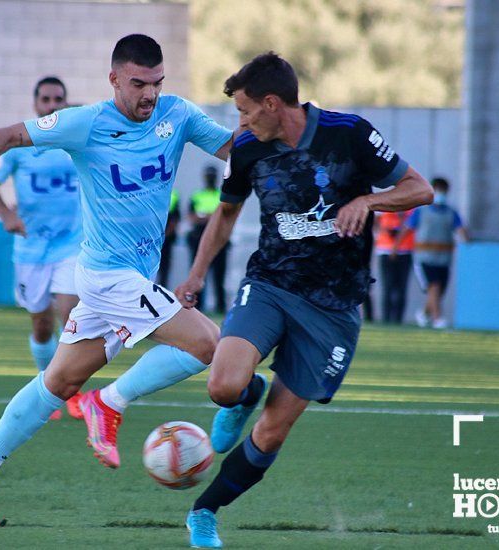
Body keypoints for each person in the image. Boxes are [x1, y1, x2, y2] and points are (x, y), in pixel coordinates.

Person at [0, 34, 233, 526]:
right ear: (115, 79)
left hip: (128, 278)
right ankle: (108, 401)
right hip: (108, 277)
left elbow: (234, 149)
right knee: (209, 344)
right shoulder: (87, 123)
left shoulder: (178, 114)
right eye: (139, 83)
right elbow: (9, 135)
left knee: (58, 381)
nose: (150, 94)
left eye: (158, 82)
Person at [174, 52, 432, 548]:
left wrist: (366, 201)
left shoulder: (349, 133)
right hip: (271, 282)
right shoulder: (248, 149)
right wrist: (196, 274)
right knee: (223, 387)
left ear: (272, 103)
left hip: (334, 307)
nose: (241, 123)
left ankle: (204, 511)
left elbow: (419, 189)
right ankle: (246, 394)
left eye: (246, 111)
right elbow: (226, 215)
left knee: (271, 434)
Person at [0, 76, 83, 420]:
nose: (52, 105)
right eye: (46, 99)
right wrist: (7, 215)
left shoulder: (76, 141)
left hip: (72, 244)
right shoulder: (20, 146)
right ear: (35, 103)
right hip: (31, 250)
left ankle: (67, 388)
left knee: (71, 315)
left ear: (65, 103)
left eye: (58, 99)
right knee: (41, 326)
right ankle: (47, 384)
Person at [398, 177, 468, 329]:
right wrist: (396, 247)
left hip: (444, 259)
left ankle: (424, 314)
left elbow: (461, 230)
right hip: (425, 257)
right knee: (434, 286)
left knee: (438, 291)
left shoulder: (451, 213)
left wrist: (467, 240)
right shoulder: (421, 211)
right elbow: (407, 229)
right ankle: (438, 319)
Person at [187, 166, 230, 313]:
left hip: (220, 241)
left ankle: (220, 306)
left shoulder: (221, 195)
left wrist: (205, 217)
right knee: (199, 273)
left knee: (219, 275)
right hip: (198, 239)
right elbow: (191, 217)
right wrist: (211, 217)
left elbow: (225, 217)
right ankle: (198, 306)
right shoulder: (197, 196)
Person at [374, 208, 414, 323]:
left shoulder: (410, 209)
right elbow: (375, 221)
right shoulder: (384, 208)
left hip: (405, 251)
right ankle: (386, 318)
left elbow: (409, 226)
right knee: (387, 287)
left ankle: (398, 320)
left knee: (401, 288)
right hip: (385, 250)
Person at [157, 189, 181, 288]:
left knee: (164, 267)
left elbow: (175, 218)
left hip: (167, 238)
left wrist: (166, 234)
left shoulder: (174, 196)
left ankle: (162, 289)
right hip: (155, 238)